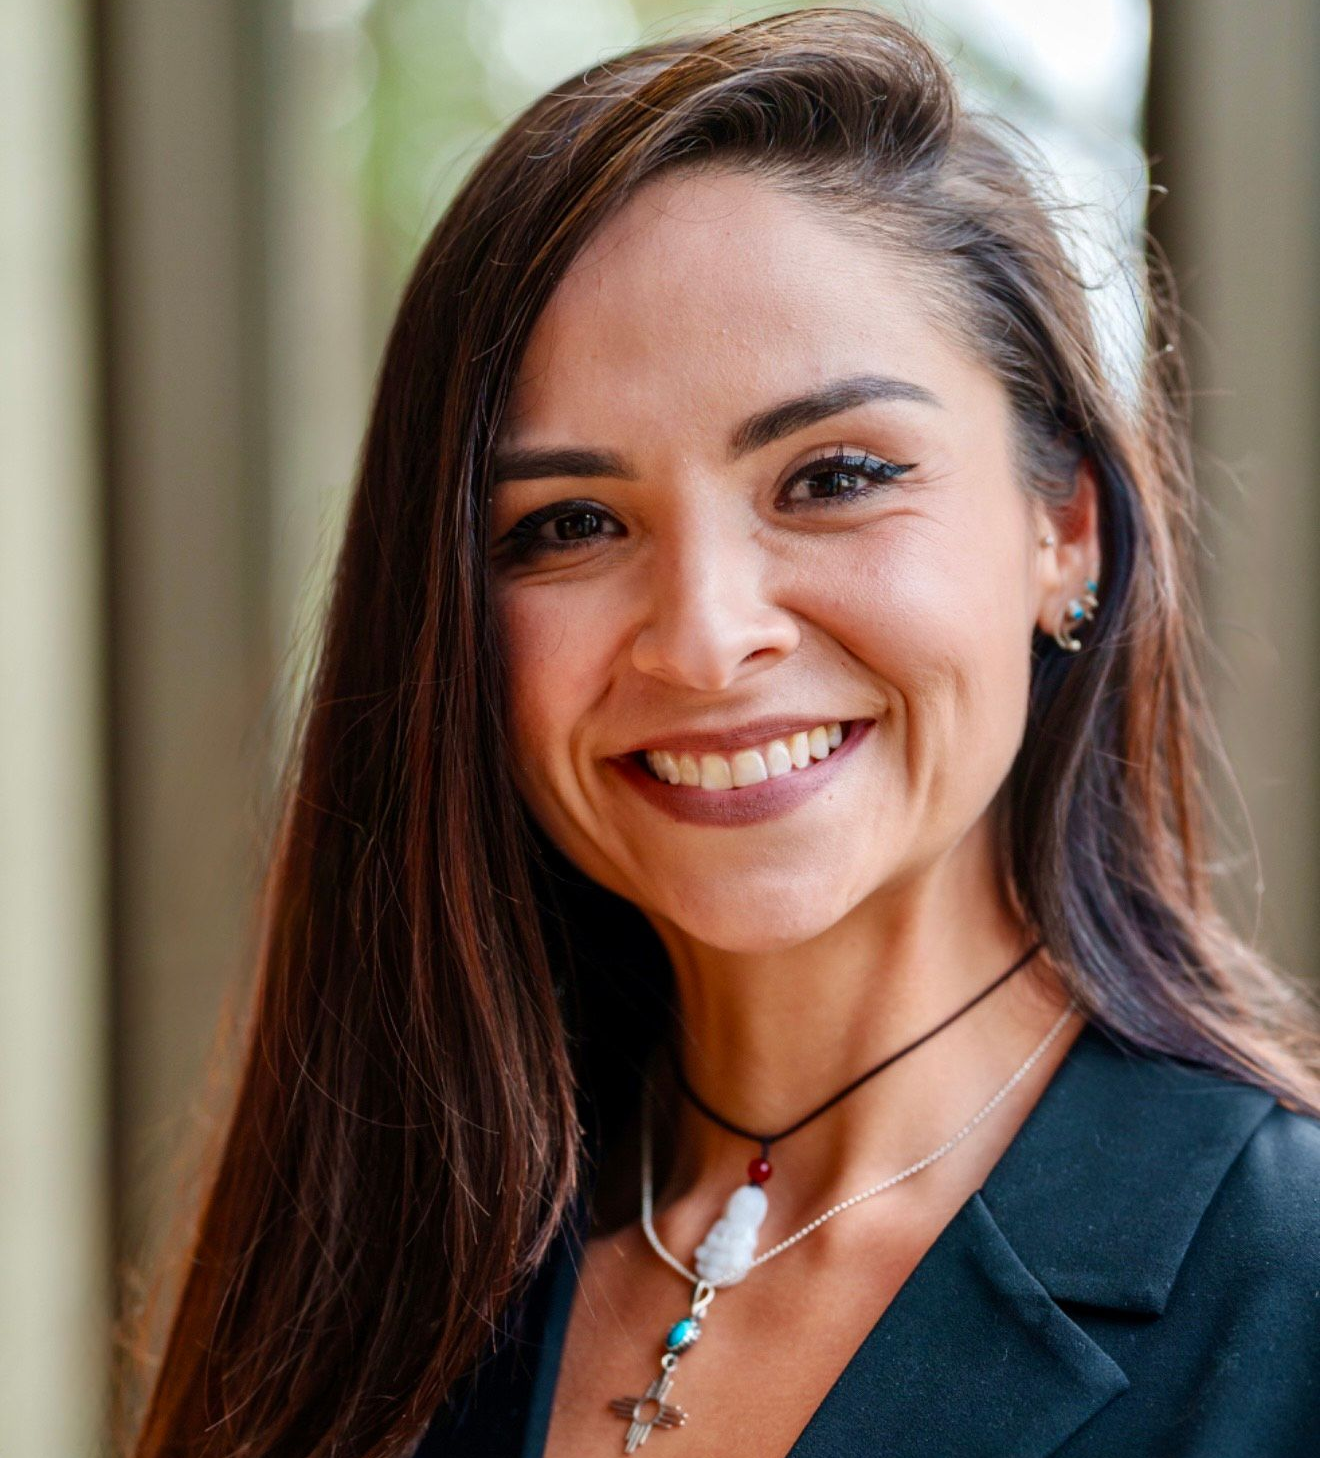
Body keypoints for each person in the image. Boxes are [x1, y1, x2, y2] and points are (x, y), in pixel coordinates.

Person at [120, 8, 1320, 1457]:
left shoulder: (1287, 1291)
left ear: (1059, 525)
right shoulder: (385, 1280)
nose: (701, 634)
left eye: (834, 475)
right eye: (569, 523)